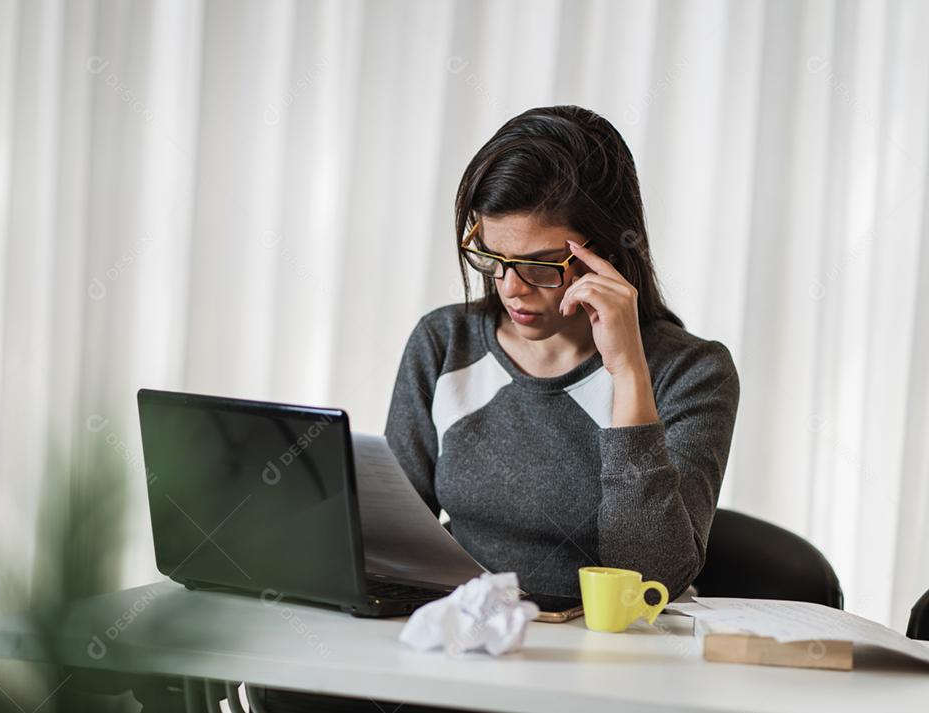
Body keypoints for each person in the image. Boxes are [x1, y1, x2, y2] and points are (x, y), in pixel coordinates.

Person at [264, 104, 739, 713]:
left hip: (601, 679)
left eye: (540, 265)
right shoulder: (445, 343)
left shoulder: (692, 371)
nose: (510, 288)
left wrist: (627, 373)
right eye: (491, 257)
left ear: (611, 252)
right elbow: (391, 538)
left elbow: (649, 576)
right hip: (461, 662)